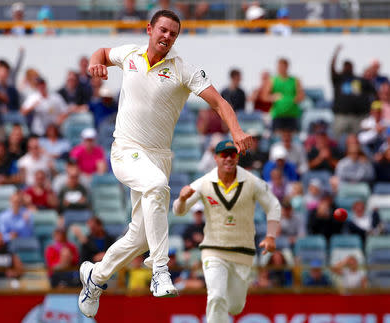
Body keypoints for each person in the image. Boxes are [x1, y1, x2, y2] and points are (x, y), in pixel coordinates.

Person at [78, 10, 254, 318]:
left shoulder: (184, 69)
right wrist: (95, 62)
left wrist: (236, 130)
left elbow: (220, 102)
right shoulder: (130, 54)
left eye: (173, 33)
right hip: (126, 150)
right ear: (149, 29)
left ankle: (95, 277)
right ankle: (160, 269)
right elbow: (103, 53)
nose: (167, 37)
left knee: (140, 235)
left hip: (158, 156)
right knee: (158, 187)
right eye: (163, 30)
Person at [172, 139, 280, 322]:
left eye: (232, 154)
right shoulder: (204, 182)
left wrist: (270, 235)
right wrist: (181, 200)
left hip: (242, 252)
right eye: (224, 155)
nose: (228, 159)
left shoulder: (252, 182)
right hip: (213, 249)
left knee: (236, 306)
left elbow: (274, 206)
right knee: (215, 296)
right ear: (216, 158)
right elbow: (178, 211)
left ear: (237, 158)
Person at [330, 45, 375, 136]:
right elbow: (332, 69)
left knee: (358, 140)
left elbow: (373, 92)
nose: (347, 68)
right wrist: (335, 54)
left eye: (349, 66)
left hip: (359, 116)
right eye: (346, 66)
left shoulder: (359, 79)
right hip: (342, 116)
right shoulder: (339, 79)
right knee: (338, 139)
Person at [263, 58, 305, 132]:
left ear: (287, 67)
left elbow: (301, 96)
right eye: (279, 66)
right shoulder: (272, 80)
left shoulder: (295, 80)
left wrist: (292, 100)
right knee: (277, 137)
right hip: (278, 115)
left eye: (282, 66)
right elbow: (264, 96)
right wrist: (273, 97)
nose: (280, 68)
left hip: (292, 114)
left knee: (292, 137)